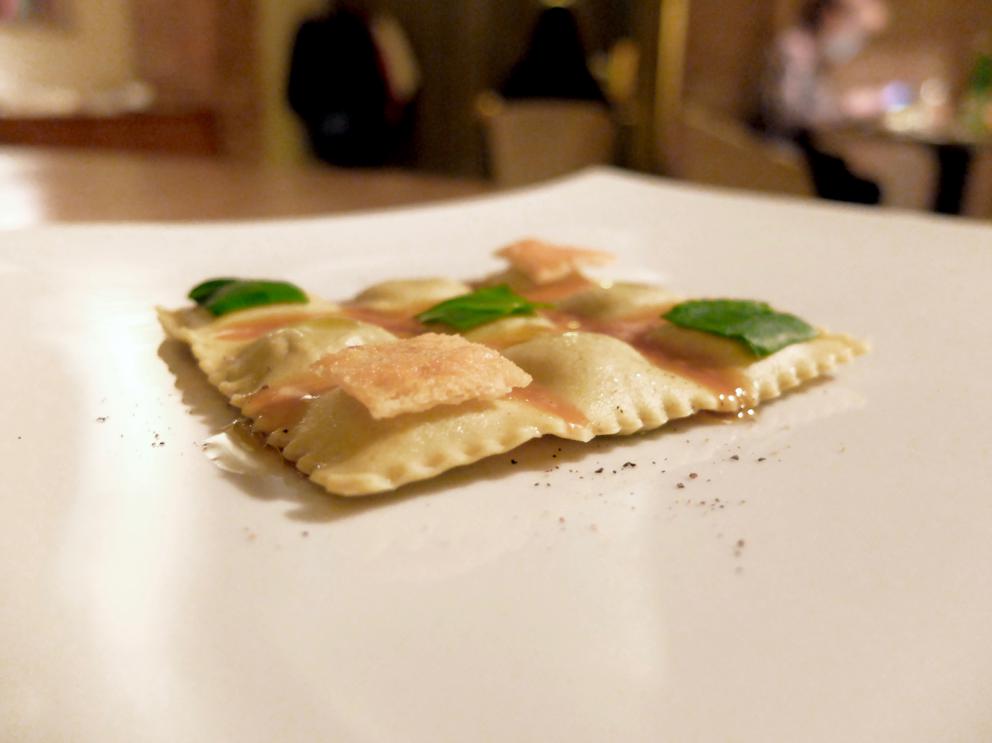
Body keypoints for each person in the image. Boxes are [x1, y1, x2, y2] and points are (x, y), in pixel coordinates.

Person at [759, 0, 893, 204]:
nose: (857, 40)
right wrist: (847, 108)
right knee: (865, 191)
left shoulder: (815, 54)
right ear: (831, 15)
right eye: (857, 30)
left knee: (864, 182)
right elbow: (791, 111)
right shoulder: (796, 49)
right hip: (782, 155)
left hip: (803, 151)